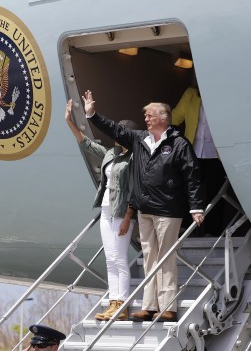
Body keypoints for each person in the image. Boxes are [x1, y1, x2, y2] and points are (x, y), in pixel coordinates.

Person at [83, 90, 205, 323]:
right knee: (149, 256)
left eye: (149, 116)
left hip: (168, 209)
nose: (146, 119)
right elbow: (116, 130)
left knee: (166, 257)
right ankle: (150, 306)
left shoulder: (178, 144)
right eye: (146, 116)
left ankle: (167, 306)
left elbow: (192, 176)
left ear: (162, 118)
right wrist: (93, 115)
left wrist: (196, 207)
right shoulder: (140, 140)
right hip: (146, 209)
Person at [65, 99, 136, 321]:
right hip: (106, 210)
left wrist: (128, 218)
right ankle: (113, 302)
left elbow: (135, 190)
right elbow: (86, 143)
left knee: (120, 258)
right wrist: (70, 121)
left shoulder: (135, 158)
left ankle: (122, 304)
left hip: (122, 212)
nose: (116, 135)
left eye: (120, 132)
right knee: (110, 257)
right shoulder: (110, 154)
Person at [171, 76, 227, 236]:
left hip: (216, 155)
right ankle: (186, 228)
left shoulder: (224, 97)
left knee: (215, 194)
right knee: (188, 191)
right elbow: (176, 116)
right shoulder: (191, 94)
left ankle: (212, 231)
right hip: (193, 152)